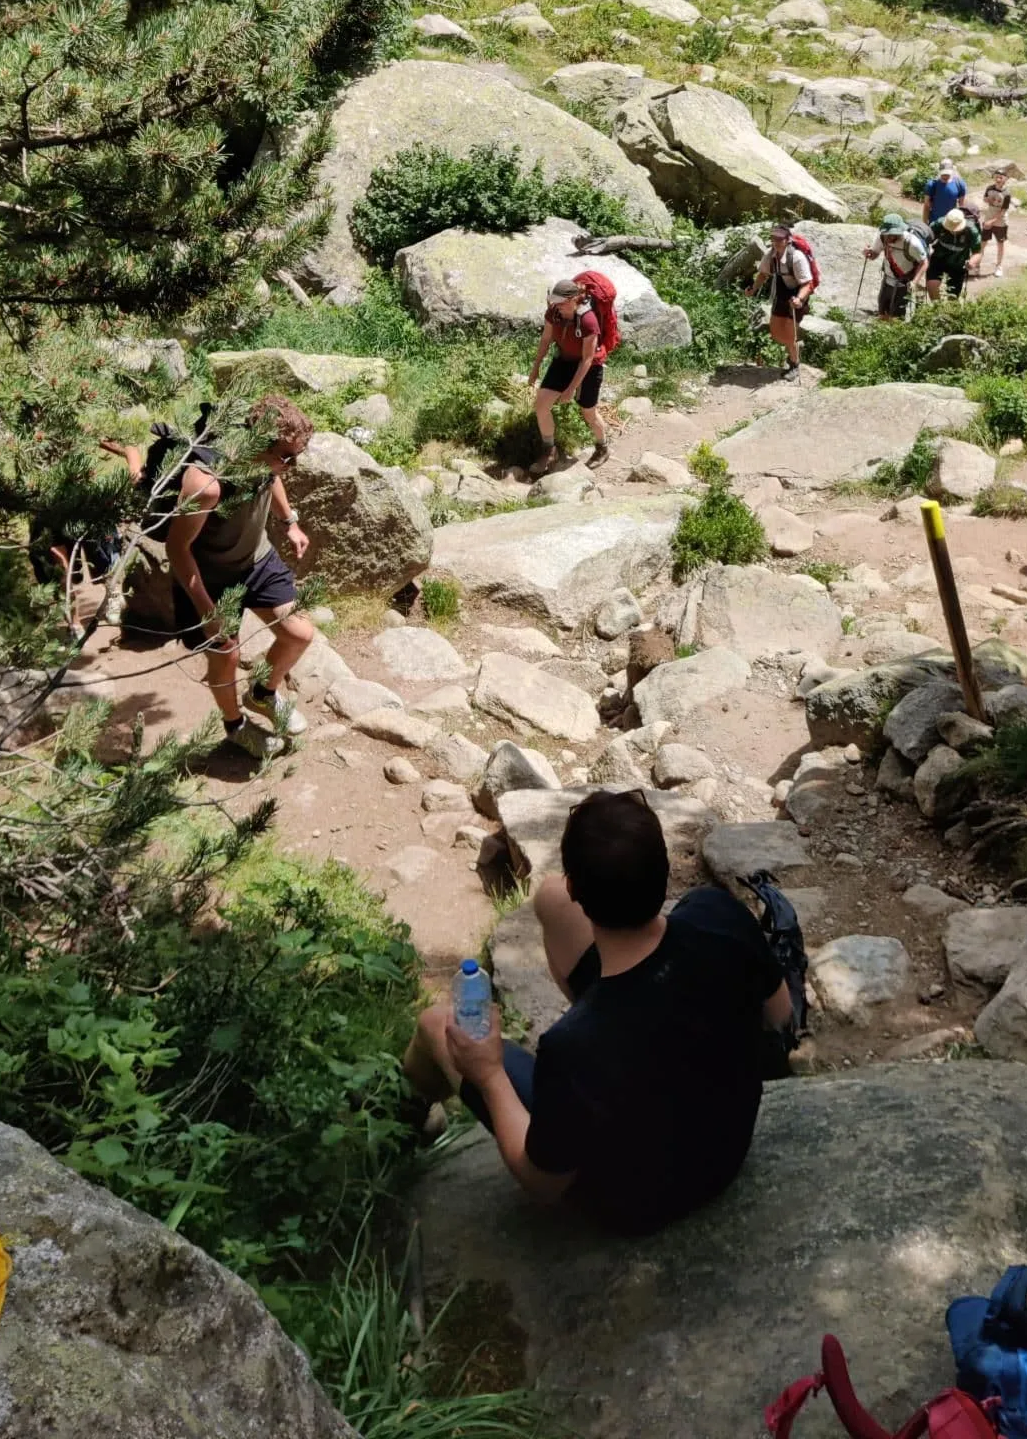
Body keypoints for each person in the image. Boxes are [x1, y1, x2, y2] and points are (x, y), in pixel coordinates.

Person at [405, 790, 792, 1235]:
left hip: (638, 1205)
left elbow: (542, 1183)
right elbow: (779, 1014)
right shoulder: (718, 914)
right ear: (664, 873)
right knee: (546, 897)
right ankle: (630, 1013)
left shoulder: (574, 1050)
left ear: (578, 886)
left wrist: (489, 1074)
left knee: (436, 1024)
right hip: (727, 1146)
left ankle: (408, 1110)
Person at [165, 393, 315, 760]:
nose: (292, 465)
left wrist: (289, 521)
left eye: (297, 456)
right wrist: (206, 611)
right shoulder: (207, 483)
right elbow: (177, 550)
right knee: (227, 654)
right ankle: (235, 727)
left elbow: (272, 475)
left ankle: (262, 694)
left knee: (299, 633)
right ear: (256, 442)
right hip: (210, 577)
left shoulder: (269, 461)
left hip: (256, 560)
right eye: (286, 456)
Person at [32, 438, 143, 634]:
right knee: (61, 565)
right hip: (49, 507)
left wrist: (134, 469)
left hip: (87, 501)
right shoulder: (32, 428)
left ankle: (113, 595)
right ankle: (74, 623)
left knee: (106, 554)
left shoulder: (82, 422)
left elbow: (126, 443)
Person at [527, 277, 611, 480]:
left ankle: (602, 447)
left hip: (589, 367)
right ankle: (549, 450)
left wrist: (571, 389)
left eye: (563, 303)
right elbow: (546, 339)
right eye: (555, 302)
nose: (559, 306)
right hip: (564, 361)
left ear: (575, 299)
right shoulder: (554, 313)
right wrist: (536, 367)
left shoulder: (588, 320)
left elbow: (588, 359)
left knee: (588, 413)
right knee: (541, 405)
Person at [745, 219, 813, 379]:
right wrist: (753, 289)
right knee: (776, 332)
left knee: (790, 332)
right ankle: (794, 347)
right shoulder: (771, 256)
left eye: (779, 239)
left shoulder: (797, 257)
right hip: (782, 291)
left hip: (798, 293)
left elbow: (808, 284)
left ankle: (794, 364)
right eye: (773, 238)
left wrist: (799, 299)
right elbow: (763, 274)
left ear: (787, 240)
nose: (775, 242)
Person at [864, 213, 928, 318]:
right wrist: (869, 253)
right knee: (882, 313)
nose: (889, 237)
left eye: (892, 234)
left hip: (904, 284)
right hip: (887, 280)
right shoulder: (882, 237)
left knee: (896, 317)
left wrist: (914, 282)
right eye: (887, 234)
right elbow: (874, 254)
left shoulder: (912, 243)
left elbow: (924, 262)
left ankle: (893, 332)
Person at [927, 206, 982, 300]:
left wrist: (972, 262)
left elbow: (977, 252)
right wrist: (927, 250)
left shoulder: (971, 230)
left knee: (953, 296)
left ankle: (949, 312)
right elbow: (926, 239)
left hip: (958, 263)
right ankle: (936, 309)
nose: (952, 230)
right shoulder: (938, 224)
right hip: (938, 258)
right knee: (932, 285)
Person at [972, 166, 1014, 279]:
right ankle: (977, 264)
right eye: (997, 176)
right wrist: (988, 200)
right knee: (983, 242)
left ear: (1006, 179)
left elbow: (1003, 210)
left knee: (1000, 244)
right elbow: (985, 198)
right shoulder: (989, 188)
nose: (998, 179)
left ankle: (999, 266)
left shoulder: (1007, 193)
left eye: (1001, 177)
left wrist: (992, 221)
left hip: (1000, 222)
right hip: (988, 218)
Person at [921, 157, 969, 229]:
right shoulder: (932, 185)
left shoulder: (959, 184)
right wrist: (924, 224)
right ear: (940, 171)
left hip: (952, 222)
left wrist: (962, 222)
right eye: (943, 174)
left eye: (947, 174)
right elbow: (926, 206)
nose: (945, 176)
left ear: (952, 171)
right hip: (934, 223)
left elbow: (962, 206)